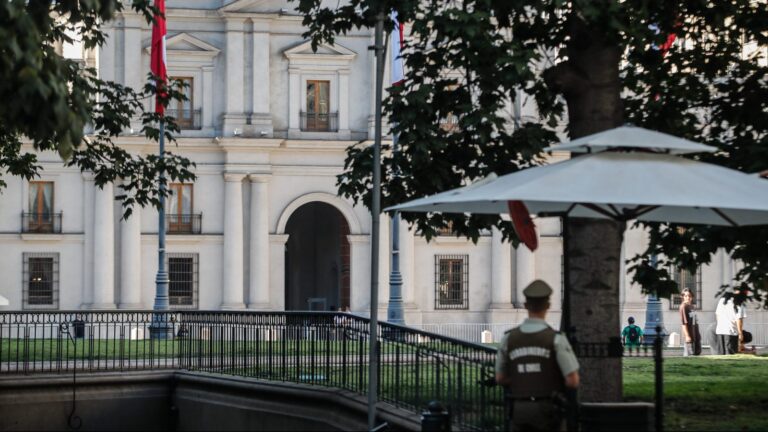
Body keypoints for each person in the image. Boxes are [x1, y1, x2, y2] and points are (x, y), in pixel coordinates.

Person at [495, 280, 580, 432]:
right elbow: (572, 380)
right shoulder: (556, 339)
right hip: (548, 409)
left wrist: (523, 379)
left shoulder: (508, 339)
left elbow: (500, 378)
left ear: (526, 306)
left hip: (519, 409)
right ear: (548, 306)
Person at [679, 288, 702, 356]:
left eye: (689, 296)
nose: (688, 297)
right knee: (690, 355)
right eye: (686, 296)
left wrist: (698, 334)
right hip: (690, 336)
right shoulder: (683, 307)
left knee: (697, 353)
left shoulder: (691, 306)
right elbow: (684, 323)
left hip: (695, 335)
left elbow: (694, 321)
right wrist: (687, 336)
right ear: (683, 297)